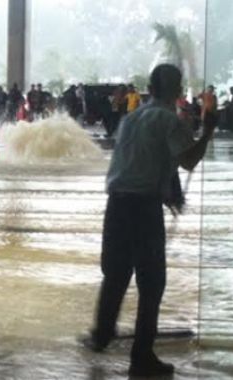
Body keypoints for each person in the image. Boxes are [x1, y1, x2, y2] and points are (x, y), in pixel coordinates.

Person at [82, 64, 216, 378]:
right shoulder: (170, 120)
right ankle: (141, 356)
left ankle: (101, 336)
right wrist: (208, 131)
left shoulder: (132, 118)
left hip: (116, 205)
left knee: (115, 275)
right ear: (173, 88)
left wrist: (169, 190)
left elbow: (141, 160)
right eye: (180, 84)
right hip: (143, 210)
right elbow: (189, 159)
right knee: (151, 283)